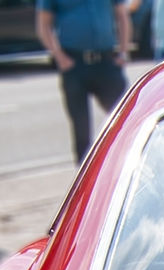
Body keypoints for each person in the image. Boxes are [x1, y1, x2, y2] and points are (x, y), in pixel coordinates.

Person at [36, 0, 133, 163]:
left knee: (126, 119)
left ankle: (128, 165)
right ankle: (86, 179)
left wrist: (123, 51)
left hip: (106, 61)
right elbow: (43, 24)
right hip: (74, 64)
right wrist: (59, 57)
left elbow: (122, 15)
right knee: (81, 130)